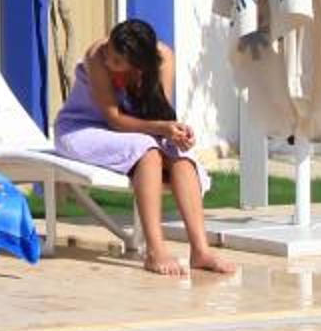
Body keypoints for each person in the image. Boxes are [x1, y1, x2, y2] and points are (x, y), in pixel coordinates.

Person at [54, 19, 234, 278]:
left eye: (117, 61)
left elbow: (158, 112)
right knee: (147, 151)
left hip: (133, 130)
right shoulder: (97, 56)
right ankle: (155, 251)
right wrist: (162, 128)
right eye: (110, 52)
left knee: (180, 155)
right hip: (81, 129)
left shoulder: (163, 59)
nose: (109, 61)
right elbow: (114, 120)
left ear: (138, 64)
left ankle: (200, 251)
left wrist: (176, 132)